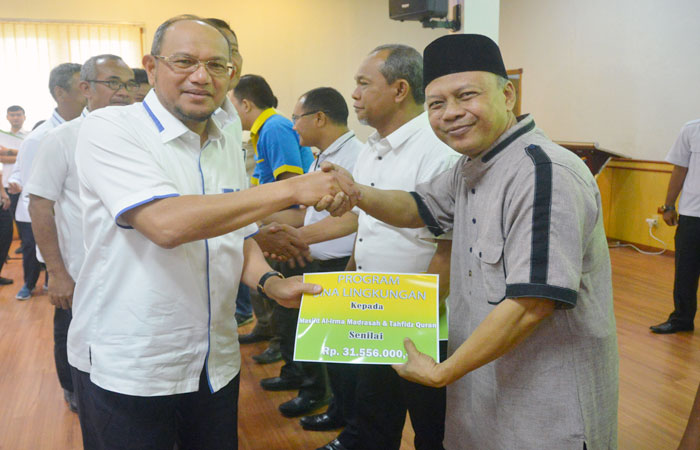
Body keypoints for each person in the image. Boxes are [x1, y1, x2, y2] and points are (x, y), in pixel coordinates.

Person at [66, 15, 353, 449]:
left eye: (217, 65)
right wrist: (291, 189)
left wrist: (270, 282)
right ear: (152, 66)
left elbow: (235, 234)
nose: (201, 77)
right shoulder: (111, 128)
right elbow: (165, 223)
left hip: (214, 361)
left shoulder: (224, 139)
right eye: (184, 61)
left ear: (231, 73)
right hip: (133, 364)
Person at [322, 34, 619, 449]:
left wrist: (442, 371)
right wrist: (355, 193)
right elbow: (416, 207)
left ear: (508, 95)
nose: (451, 113)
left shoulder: (543, 171)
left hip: (545, 404)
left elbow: (532, 303)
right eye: (436, 104)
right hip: (482, 388)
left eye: (466, 96)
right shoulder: (471, 166)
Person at [316, 44, 458, 450]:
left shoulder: (439, 150)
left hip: (423, 317)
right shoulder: (373, 147)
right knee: (374, 413)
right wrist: (350, 283)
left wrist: (414, 317)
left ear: (399, 90)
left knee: (432, 424)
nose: (354, 94)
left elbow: (448, 247)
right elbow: (367, 226)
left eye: (364, 83)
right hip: (375, 307)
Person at [26, 54, 136, 413]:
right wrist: (57, 272)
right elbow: (39, 205)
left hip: (130, 267)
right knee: (72, 334)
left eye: (128, 84)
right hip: (79, 269)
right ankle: (72, 388)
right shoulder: (61, 139)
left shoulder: (140, 135)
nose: (124, 92)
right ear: (86, 88)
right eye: (113, 83)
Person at [258, 86, 362, 419]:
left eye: (296, 117)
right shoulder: (321, 156)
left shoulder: (355, 157)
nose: (293, 126)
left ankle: (334, 408)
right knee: (310, 337)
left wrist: (298, 238)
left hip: (338, 263)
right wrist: (263, 226)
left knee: (334, 348)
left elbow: (354, 218)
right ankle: (317, 393)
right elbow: (309, 214)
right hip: (314, 257)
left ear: (319, 118)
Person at [231, 74, 315, 367]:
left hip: (287, 218)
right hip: (272, 216)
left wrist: (269, 222)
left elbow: (290, 183)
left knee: (281, 292)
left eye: (232, 105)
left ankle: (284, 351)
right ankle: (270, 333)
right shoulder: (263, 129)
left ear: (245, 104)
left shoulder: (274, 127)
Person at [8, 63, 86, 300]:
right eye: (82, 87)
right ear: (60, 92)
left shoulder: (86, 129)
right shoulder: (39, 139)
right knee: (67, 314)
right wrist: (55, 270)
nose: (89, 93)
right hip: (65, 250)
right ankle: (30, 284)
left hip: (87, 245)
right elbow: (37, 203)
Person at [207, 18, 254, 327]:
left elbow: (235, 195)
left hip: (222, 295)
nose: (228, 60)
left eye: (232, 50)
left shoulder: (232, 119)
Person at [650, 119, 700, 334]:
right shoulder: (692, 129)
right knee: (685, 271)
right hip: (692, 214)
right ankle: (681, 319)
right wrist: (668, 206)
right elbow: (679, 169)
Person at [0, 105, 27, 284]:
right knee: (7, 228)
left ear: (24, 117)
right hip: (5, 187)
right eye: (12, 115)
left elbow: (31, 157)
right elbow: (1, 158)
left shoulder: (29, 135)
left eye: (18, 115)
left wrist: (8, 152)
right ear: (7, 117)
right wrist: (21, 155)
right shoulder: (2, 135)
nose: (15, 118)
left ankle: (28, 249)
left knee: (25, 223)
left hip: (24, 186)